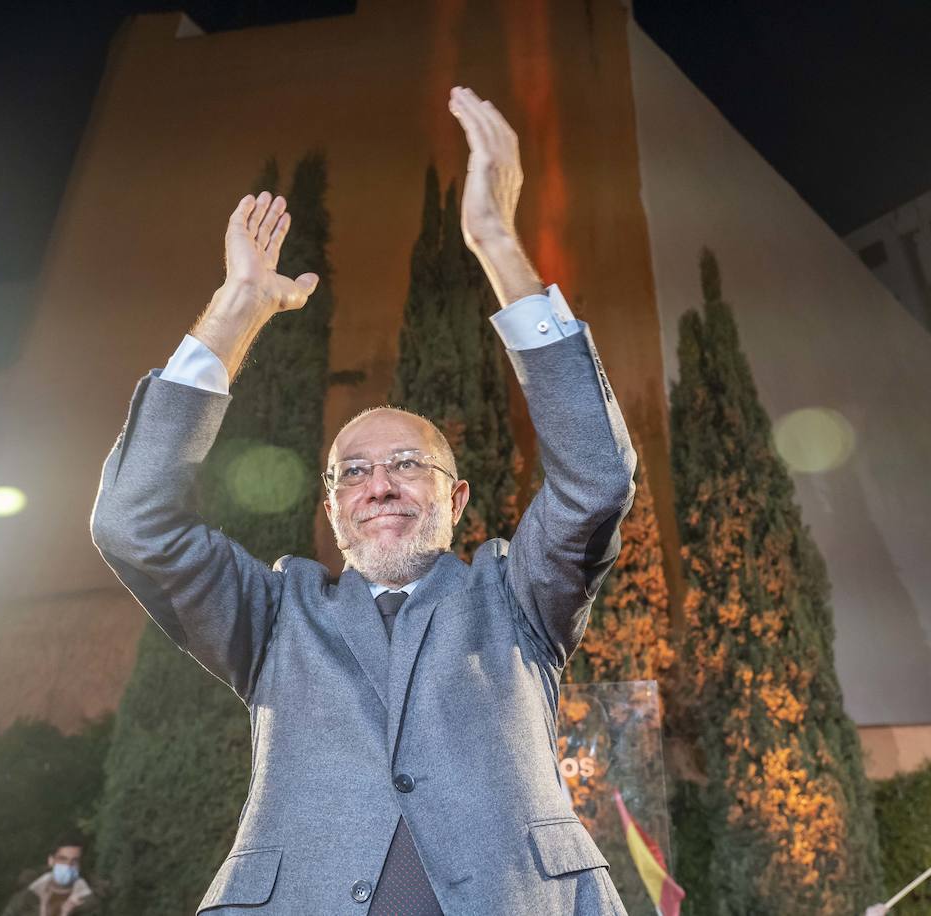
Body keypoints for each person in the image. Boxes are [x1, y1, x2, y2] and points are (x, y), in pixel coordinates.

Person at [90, 87, 634, 914]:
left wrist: (497, 245)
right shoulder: (274, 618)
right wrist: (235, 312)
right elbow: (132, 521)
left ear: (455, 499)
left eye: (407, 464)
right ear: (333, 508)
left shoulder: (517, 599)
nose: (377, 481)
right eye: (352, 471)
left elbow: (596, 477)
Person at [0, 833, 96, 916]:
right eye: (63, 859)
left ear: (80, 865)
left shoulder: (89, 902)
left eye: (74, 861)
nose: (68, 866)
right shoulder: (27, 896)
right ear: (51, 861)